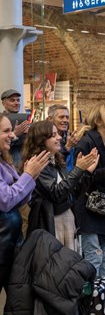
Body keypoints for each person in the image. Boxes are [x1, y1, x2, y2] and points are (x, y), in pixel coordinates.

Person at [23, 121, 98, 249]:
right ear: (41, 140)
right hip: (50, 225)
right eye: (53, 135)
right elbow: (57, 193)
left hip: (67, 221)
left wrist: (87, 173)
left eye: (57, 134)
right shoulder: (36, 165)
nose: (59, 137)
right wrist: (78, 169)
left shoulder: (56, 161)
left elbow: (72, 194)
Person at [73, 103, 105, 278]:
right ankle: (91, 302)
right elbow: (81, 180)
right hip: (89, 209)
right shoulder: (86, 143)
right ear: (98, 120)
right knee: (94, 258)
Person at [0, 113, 50, 292]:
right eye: (6, 131)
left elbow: (19, 199)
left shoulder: (4, 162)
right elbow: (5, 200)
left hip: (10, 245)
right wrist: (28, 175)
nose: (12, 135)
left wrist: (32, 175)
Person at [1, 89, 30, 169]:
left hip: (24, 164)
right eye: (12, 100)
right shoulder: (1, 120)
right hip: (7, 165)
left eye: (18, 100)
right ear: (4, 103)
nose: (16, 103)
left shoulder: (24, 120)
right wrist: (14, 134)